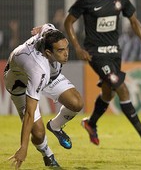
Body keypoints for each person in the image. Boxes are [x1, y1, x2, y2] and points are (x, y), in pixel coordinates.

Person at [64, 0, 141, 147]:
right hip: (95, 53)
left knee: (108, 93)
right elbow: (68, 22)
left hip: (114, 53)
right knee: (121, 88)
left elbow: (134, 21)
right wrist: (77, 47)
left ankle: (91, 123)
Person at [4, 23, 84, 169]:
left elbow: (46, 26)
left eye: (67, 48)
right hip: (20, 84)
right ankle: (48, 156)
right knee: (39, 133)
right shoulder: (38, 68)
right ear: (48, 52)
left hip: (49, 78)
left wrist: (38, 28)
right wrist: (23, 147)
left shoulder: (51, 33)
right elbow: (29, 113)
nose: (66, 53)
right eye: (60, 50)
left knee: (77, 103)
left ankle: (55, 126)